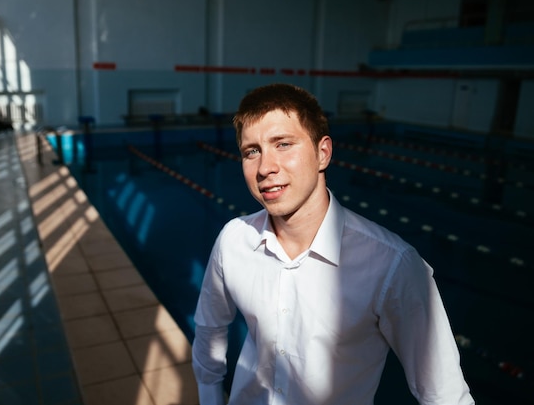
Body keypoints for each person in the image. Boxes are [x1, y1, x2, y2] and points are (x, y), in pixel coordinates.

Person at [191, 83, 474, 405]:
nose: (265, 167)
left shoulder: (391, 265)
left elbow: (444, 394)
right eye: (251, 151)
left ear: (322, 153)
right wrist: (209, 396)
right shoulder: (234, 240)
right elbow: (209, 327)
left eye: (283, 144)